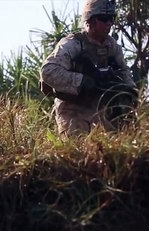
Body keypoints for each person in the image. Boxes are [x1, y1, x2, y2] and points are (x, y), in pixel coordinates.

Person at [40, 0, 136, 137]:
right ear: (90, 20)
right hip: (73, 109)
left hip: (102, 109)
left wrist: (129, 93)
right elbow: (48, 71)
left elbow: (125, 73)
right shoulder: (73, 44)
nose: (108, 23)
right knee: (77, 150)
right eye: (103, 18)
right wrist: (81, 81)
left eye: (111, 19)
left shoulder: (112, 47)